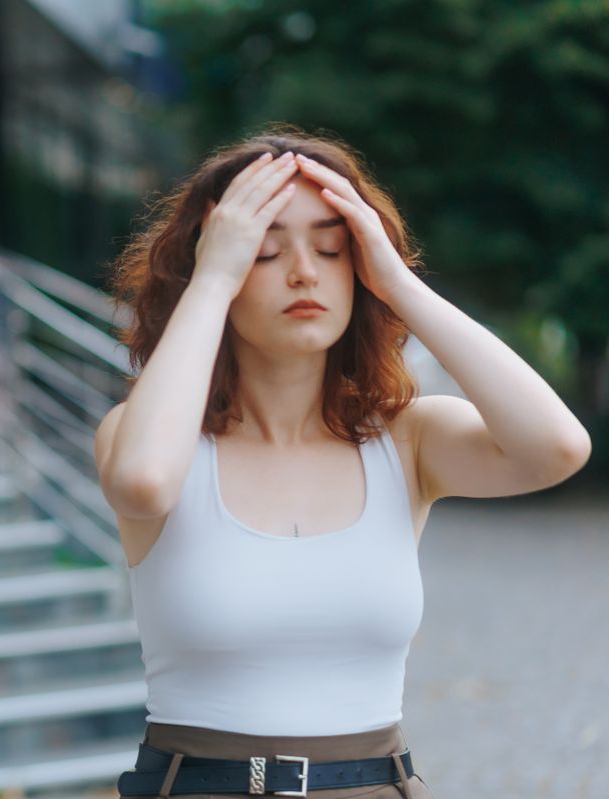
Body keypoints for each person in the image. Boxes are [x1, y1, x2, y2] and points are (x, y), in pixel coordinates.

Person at [96, 129, 590, 798]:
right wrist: (213, 278)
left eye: (332, 247)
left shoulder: (406, 439)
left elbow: (558, 448)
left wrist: (397, 283)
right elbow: (143, 483)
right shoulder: (151, 439)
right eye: (265, 249)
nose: (304, 270)